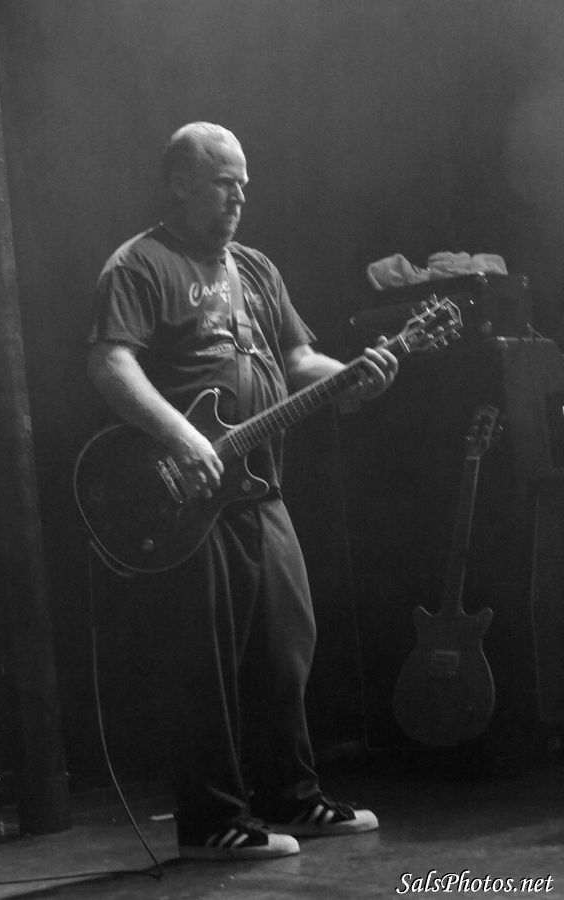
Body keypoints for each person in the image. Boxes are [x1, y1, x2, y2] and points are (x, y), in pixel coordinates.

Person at [86, 122, 398, 861]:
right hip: (188, 494)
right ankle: (212, 821)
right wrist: (180, 437)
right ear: (180, 184)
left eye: (244, 185)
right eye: (224, 182)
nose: (239, 197)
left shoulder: (255, 268)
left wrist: (353, 378)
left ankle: (291, 797)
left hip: (259, 487)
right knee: (205, 663)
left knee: (286, 647)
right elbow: (110, 362)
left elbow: (298, 358)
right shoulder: (140, 264)